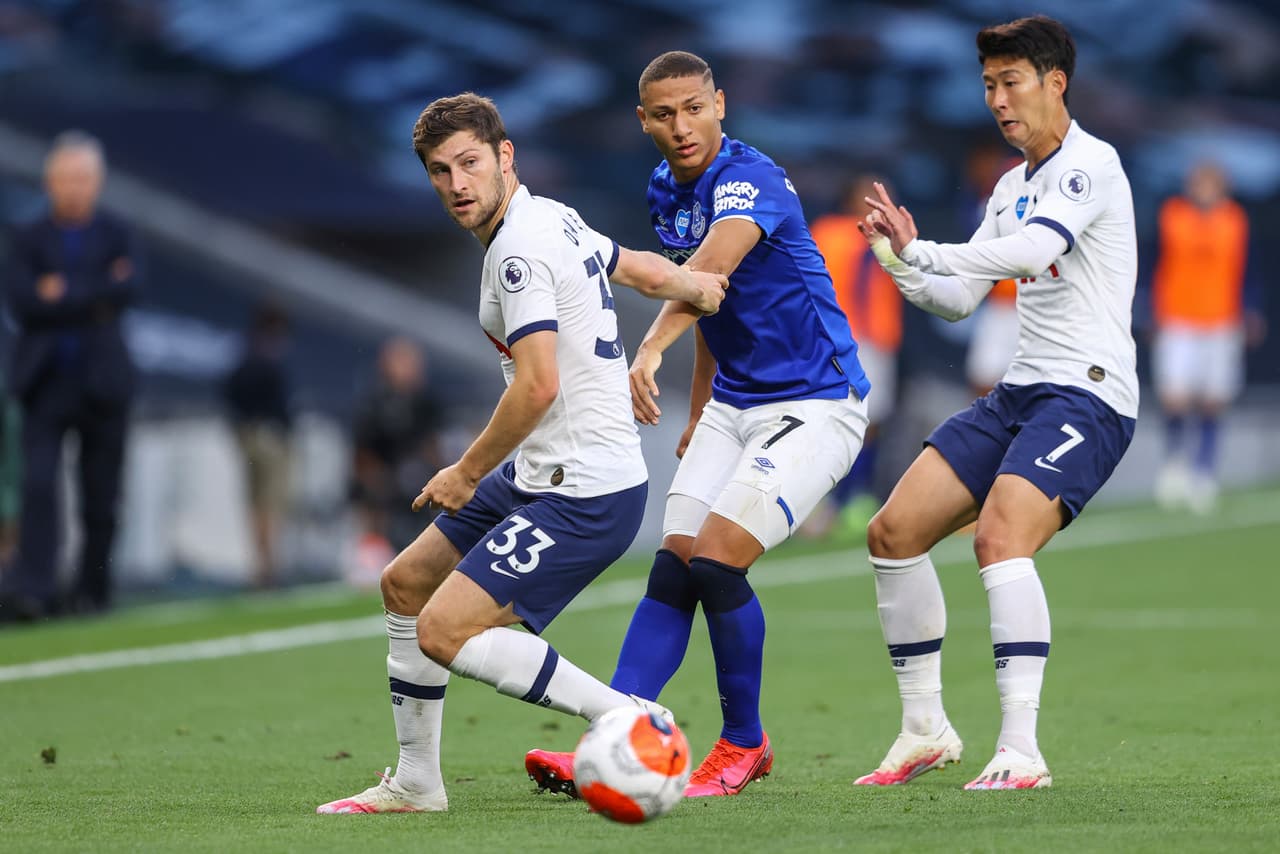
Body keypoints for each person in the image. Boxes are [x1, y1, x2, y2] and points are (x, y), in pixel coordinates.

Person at [315, 92, 728, 814]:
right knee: (405, 587)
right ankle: (417, 783)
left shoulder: (517, 254)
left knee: (443, 630)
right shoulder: (551, 215)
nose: (457, 185)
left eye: (470, 163)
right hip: (544, 471)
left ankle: (627, 719)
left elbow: (537, 387)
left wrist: (463, 472)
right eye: (441, 172)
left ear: (506, 157)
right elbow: (632, 265)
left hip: (583, 490)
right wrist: (695, 283)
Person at [526, 50, 871, 798]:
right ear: (642, 120)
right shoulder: (664, 189)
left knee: (717, 560)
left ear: (721, 105)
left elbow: (709, 278)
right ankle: (613, 739)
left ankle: (744, 743)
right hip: (733, 405)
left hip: (817, 402)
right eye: (664, 113)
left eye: (694, 108)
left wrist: (648, 350)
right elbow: (724, 313)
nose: (682, 126)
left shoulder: (751, 180)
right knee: (674, 564)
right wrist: (697, 413)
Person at [852, 15, 1138, 790]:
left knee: (1000, 536)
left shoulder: (1090, 166)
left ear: (1056, 83)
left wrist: (927, 249)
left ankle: (1021, 751)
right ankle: (925, 731)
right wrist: (899, 260)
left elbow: (1034, 251)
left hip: (1089, 394)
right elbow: (959, 300)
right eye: (988, 86)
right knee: (893, 530)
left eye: (1011, 83)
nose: (998, 101)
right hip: (1020, 391)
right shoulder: (1010, 187)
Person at [1, 130, 140, 621]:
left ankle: (92, 590)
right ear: (50, 181)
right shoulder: (29, 236)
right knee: (38, 487)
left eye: (83, 178)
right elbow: (23, 299)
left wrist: (61, 293)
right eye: (66, 178)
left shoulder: (118, 232)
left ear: (97, 182)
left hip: (103, 382)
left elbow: (126, 291)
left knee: (100, 495)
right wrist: (92, 294)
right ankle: (35, 591)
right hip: (45, 381)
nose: (75, 187)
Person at [1150, 161, 1263, 514]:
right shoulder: (1172, 216)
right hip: (1177, 318)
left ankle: (1205, 471)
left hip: (1221, 319)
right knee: (1175, 397)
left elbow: (1249, 268)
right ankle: (1174, 466)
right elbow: (1154, 262)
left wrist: (1252, 309)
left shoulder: (1236, 220)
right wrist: (1150, 310)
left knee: (1213, 399)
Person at [809, 174, 904, 537]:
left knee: (872, 423)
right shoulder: (833, 232)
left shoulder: (891, 236)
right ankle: (825, 502)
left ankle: (853, 500)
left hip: (877, 338)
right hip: (842, 338)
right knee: (838, 421)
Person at [349, 336, 446, 575]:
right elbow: (363, 449)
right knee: (369, 493)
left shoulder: (425, 402)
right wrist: (375, 478)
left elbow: (434, 445)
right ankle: (372, 555)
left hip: (417, 472)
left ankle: (434, 554)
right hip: (383, 471)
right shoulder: (374, 402)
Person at [224, 302, 293, 590]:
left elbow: (228, 392)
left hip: (249, 434)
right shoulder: (268, 357)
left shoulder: (245, 353)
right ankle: (267, 567)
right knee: (269, 504)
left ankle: (260, 566)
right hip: (270, 436)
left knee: (255, 504)